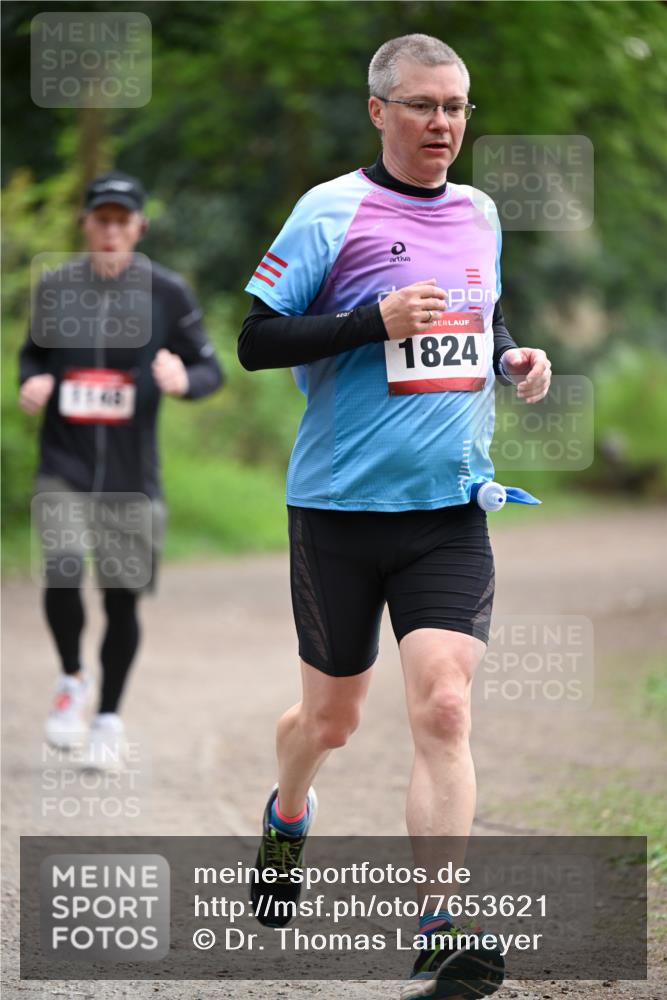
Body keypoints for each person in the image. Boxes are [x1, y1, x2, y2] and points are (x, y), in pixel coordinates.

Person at [239, 34, 551, 999]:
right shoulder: (330, 210)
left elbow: (480, 310)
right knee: (330, 722)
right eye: (422, 106)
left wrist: (509, 358)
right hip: (335, 508)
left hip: (448, 511)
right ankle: (288, 814)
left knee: (444, 708)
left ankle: (437, 930)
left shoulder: (482, 211)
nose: (443, 125)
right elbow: (254, 339)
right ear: (378, 111)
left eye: (455, 107)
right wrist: (370, 322)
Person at [19, 170, 223, 766]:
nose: (111, 230)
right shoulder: (55, 289)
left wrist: (185, 380)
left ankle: (107, 718)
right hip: (64, 460)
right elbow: (32, 355)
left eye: (122, 221)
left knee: (122, 600)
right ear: (86, 223)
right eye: (101, 219)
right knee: (59, 566)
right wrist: (30, 381)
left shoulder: (168, 293)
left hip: (134, 472)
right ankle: (71, 679)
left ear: (139, 227)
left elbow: (210, 368)